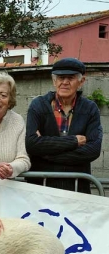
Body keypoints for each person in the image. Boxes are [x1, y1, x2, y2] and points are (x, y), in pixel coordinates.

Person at [26, 58, 102, 194]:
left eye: (71, 78)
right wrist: (73, 141)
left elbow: (93, 150)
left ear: (81, 81)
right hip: (41, 189)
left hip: (76, 189)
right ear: (54, 81)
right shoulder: (38, 105)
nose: (65, 82)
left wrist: (45, 154)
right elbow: (31, 144)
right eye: (61, 77)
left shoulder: (90, 109)